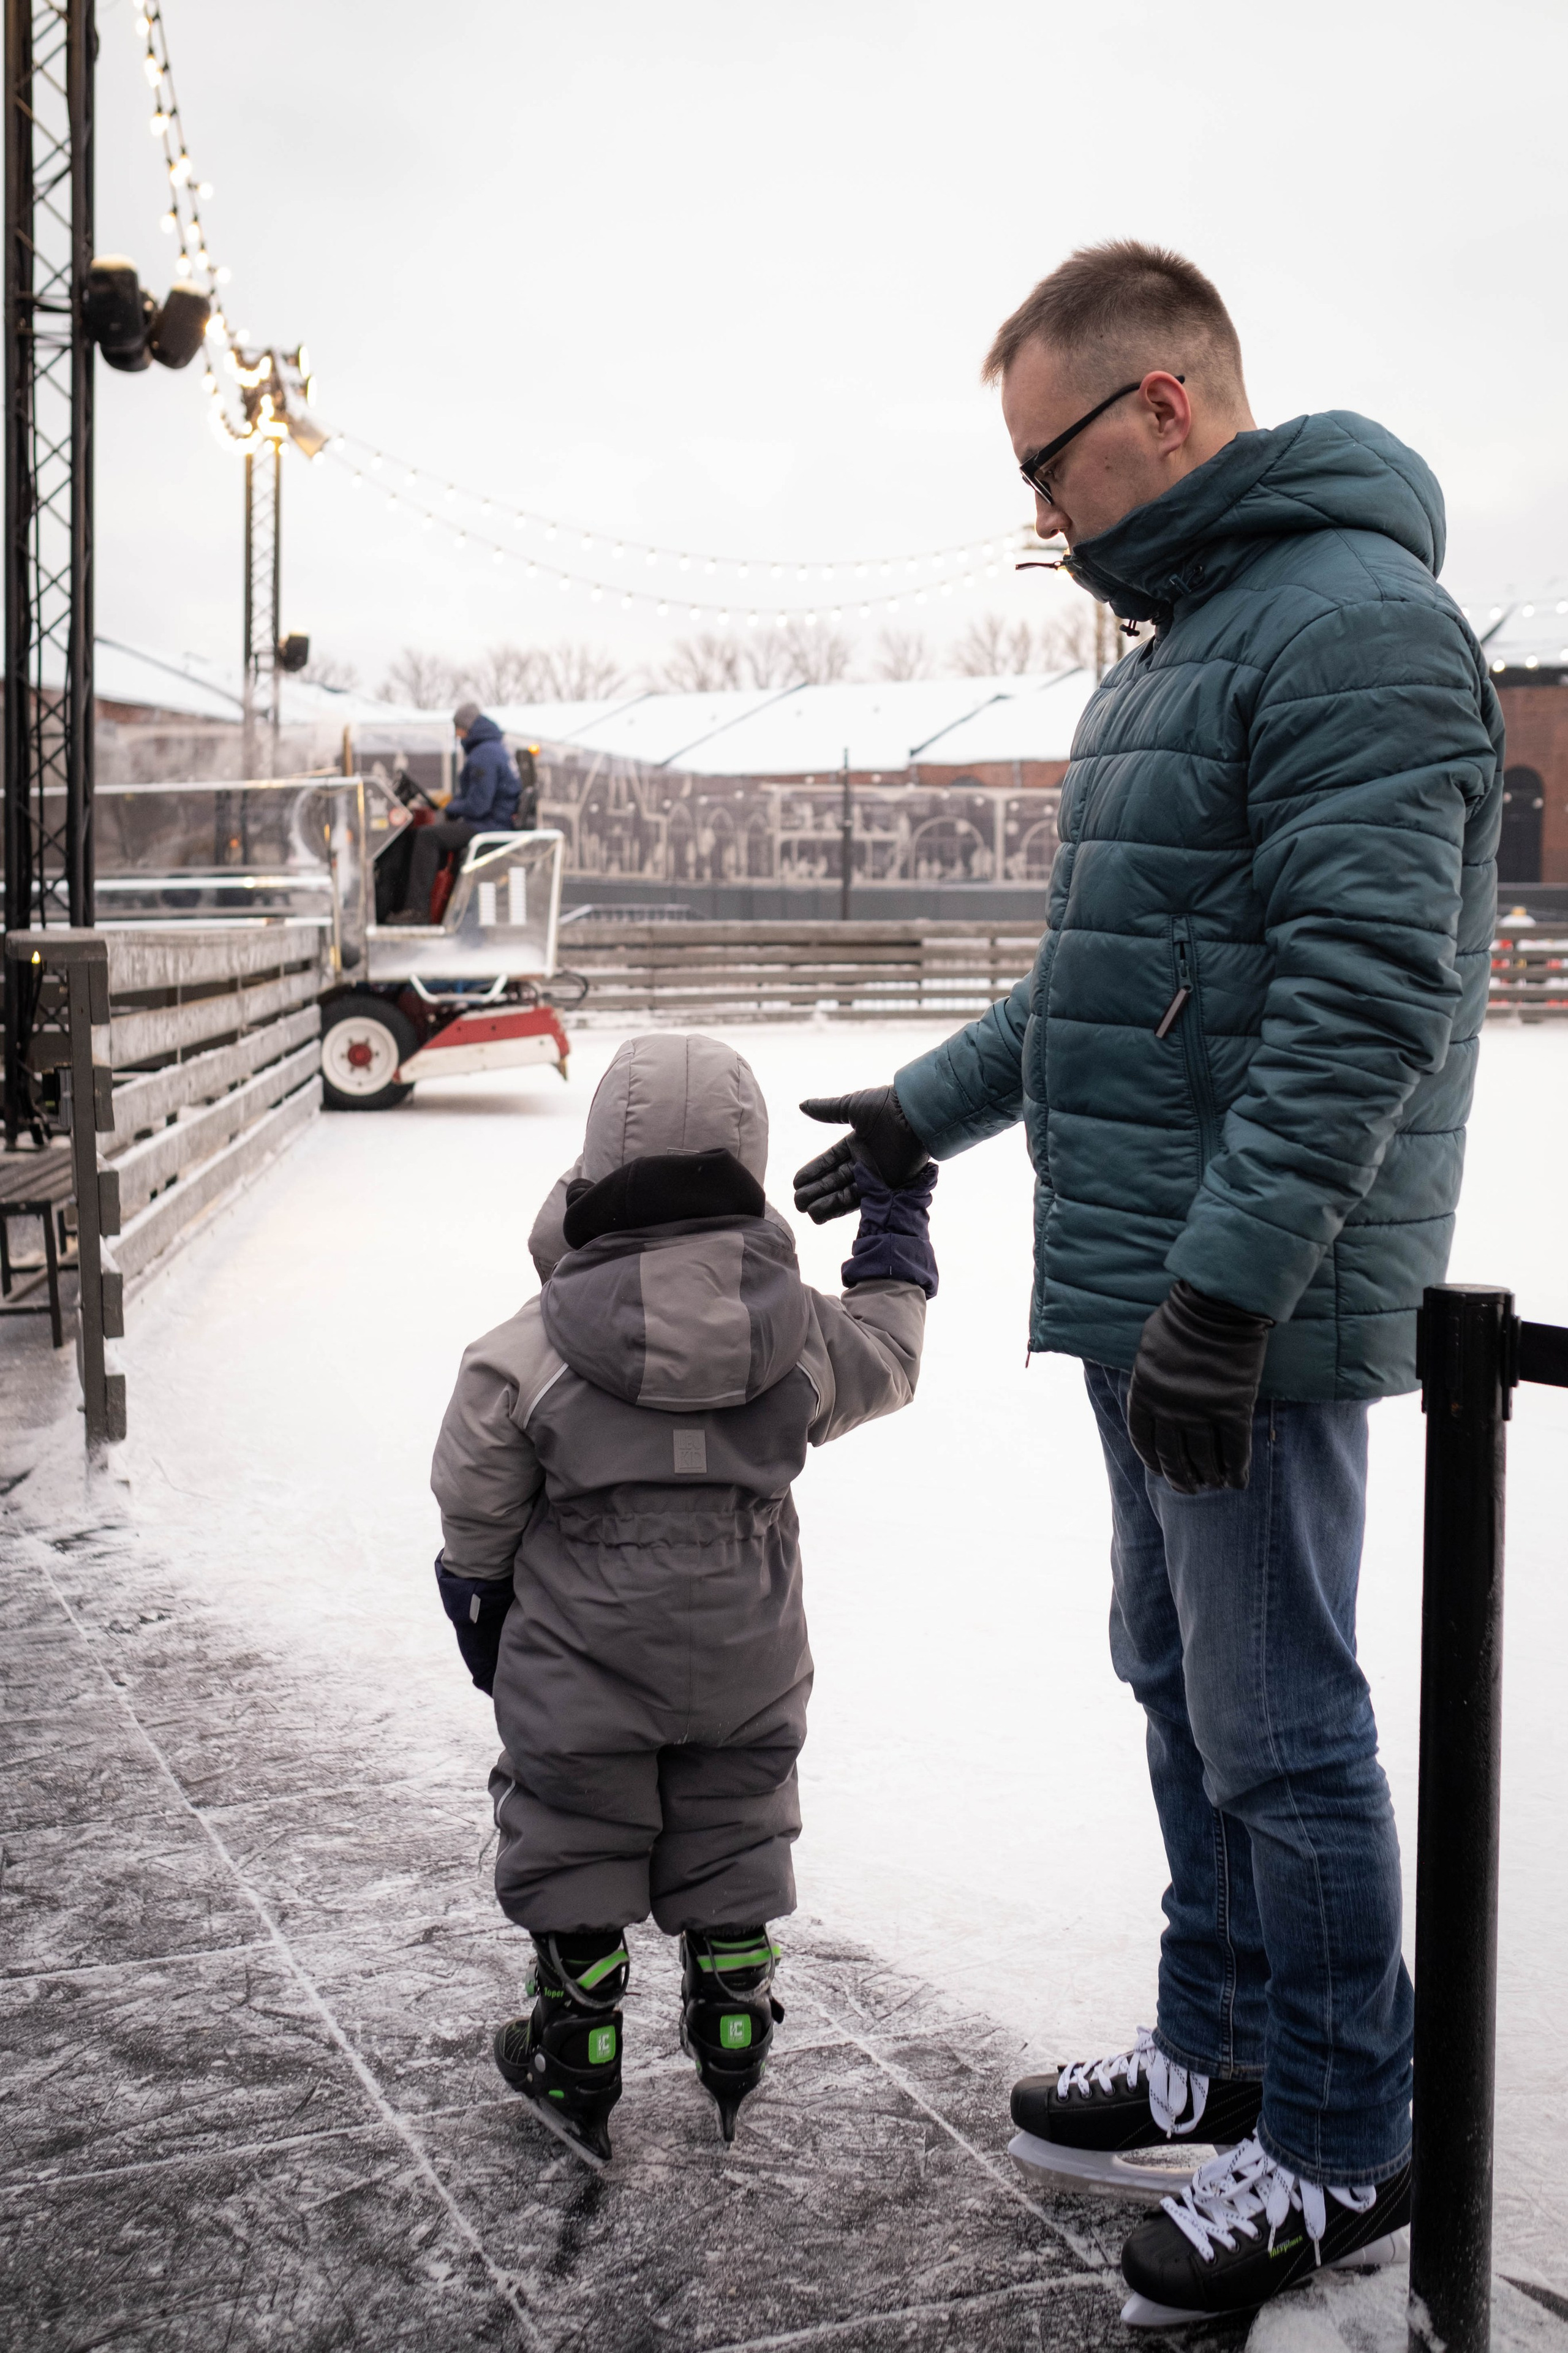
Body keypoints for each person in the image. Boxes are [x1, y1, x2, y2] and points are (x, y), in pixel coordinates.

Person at [793, 241, 1502, 2324]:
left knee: (1285, 1722)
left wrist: (1227, 1293)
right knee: (1181, 1682)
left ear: (1168, 408)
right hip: (1156, 1284)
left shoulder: (1354, 629)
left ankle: (1346, 2140)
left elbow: (1367, 1004)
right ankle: (1223, 2041)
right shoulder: (1186, 644)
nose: (1041, 514)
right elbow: (1100, 1000)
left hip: (1246, 1302)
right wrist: (925, 1111)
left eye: (1052, 465)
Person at [430, 1032, 938, 2166]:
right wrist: (895, 1217)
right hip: (748, 1643)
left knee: (574, 1822)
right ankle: (730, 2013)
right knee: (735, 1815)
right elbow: (890, 1356)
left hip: (580, 1654)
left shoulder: (536, 1344)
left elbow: (478, 1489)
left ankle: (578, 2038)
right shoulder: (796, 1333)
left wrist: (482, 1607)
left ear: (598, 1161)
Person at [389, 701, 522, 923]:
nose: (457, 735)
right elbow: (477, 796)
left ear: (467, 727)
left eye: (458, 729)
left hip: (489, 826)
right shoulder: (493, 748)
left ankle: (418, 911)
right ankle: (431, 905)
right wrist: (453, 801)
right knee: (432, 835)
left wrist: (449, 806)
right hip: (496, 822)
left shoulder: (483, 754)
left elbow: (479, 806)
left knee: (426, 837)